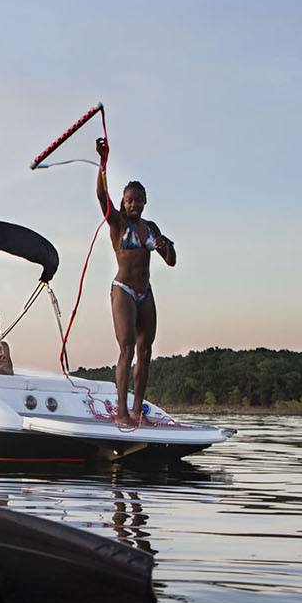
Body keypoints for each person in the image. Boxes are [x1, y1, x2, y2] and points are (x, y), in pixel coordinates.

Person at [96, 137, 176, 429]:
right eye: (130, 200)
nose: (134, 205)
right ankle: (121, 411)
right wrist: (103, 164)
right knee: (127, 349)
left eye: (138, 200)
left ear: (145, 202)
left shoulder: (150, 228)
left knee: (146, 351)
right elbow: (101, 198)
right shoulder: (118, 224)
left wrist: (167, 246)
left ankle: (138, 410)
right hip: (124, 291)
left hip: (146, 292)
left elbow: (171, 260)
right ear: (123, 201)